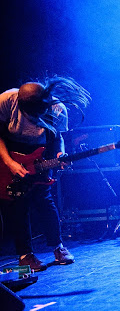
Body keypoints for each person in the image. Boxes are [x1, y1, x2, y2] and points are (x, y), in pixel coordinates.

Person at [0, 76, 90, 271]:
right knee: (18, 205)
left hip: (40, 153)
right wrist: (10, 163)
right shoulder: (6, 101)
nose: (33, 120)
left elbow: (58, 139)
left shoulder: (57, 110)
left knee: (44, 200)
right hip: (10, 155)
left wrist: (60, 155)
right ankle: (25, 256)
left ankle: (58, 248)